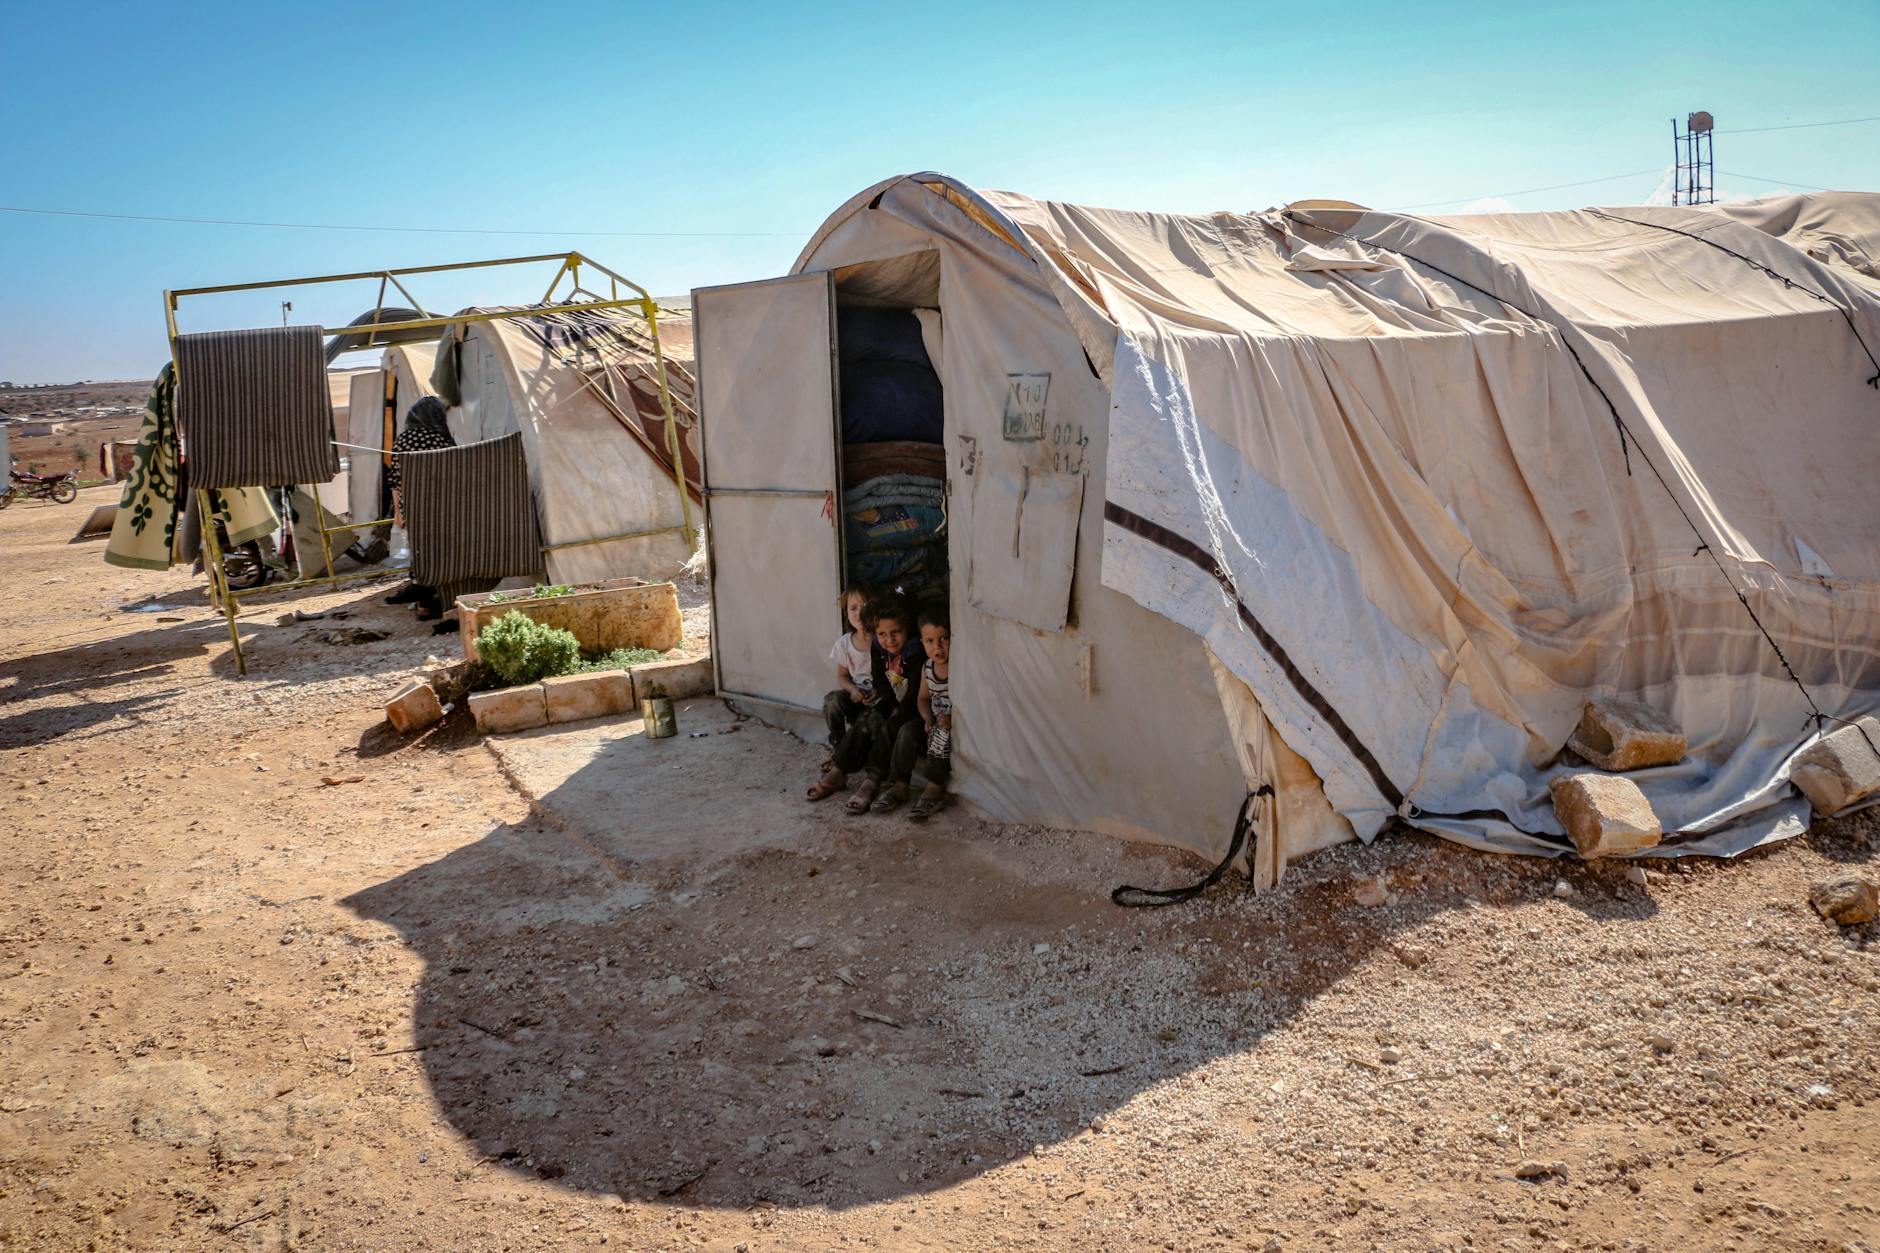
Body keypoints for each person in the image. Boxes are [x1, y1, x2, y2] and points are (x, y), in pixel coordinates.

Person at [806, 599, 923, 811]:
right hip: (894, 700)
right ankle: (839, 770)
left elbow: (914, 698)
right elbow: (881, 681)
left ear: (907, 628)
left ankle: (873, 779)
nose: (889, 640)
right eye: (882, 634)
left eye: (896, 632)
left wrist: (893, 712)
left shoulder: (915, 652)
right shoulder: (878, 647)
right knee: (869, 719)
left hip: (915, 709)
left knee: (890, 726)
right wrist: (879, 697)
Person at [381, 398, 456, 629]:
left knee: (421, 552)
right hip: (441, 506)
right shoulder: (441, 439)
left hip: (412, 506)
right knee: (442, 553)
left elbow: (394, 480)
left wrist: (399, 513)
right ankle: (441, 600)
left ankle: (424, 604)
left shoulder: (403, 439)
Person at [875, 606, 951, 819]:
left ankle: (935, 787)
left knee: (941, 734)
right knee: (907, 730)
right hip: (935, 721)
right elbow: (922, 699)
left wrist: (951, 720)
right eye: (930, 641)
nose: (938, 647)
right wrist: (927, 718)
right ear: (922, 643)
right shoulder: (927, 668)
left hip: (954, 726)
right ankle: (900, 784)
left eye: (943, 639)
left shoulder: (959, 666)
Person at [820, 583, 875, 767]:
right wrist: (852, 690)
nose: (859, 612)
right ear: (846, 613)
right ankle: (839, 747)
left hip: (878, 701)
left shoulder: (883, 638)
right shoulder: (844, 644)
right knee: (832, 701)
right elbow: (842, 676)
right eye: (853, 608)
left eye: (865, 606)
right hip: (856, 697)